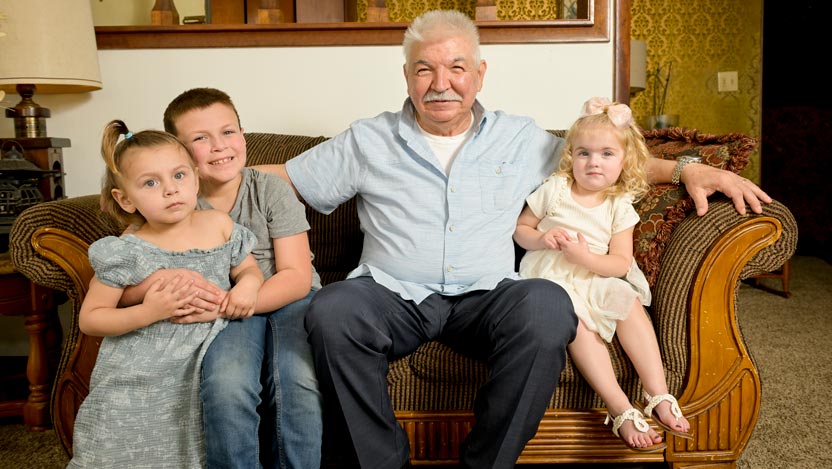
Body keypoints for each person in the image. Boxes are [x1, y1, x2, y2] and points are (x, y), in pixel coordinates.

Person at [262, 10, 770, 468]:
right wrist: (200, 172)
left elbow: (604, 166)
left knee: (548, 306)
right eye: (425, 69)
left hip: (488, 294)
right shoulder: (368, 138)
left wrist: (688, 171)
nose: (442, 83)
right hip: (392, 293)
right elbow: (285, 179)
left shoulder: (520, 137)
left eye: (457, 67)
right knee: (331, 310)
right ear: (407, 76)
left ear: (480, 74)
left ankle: (486, 464)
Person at [122, 88, 324, 469]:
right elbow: (130, 265)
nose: (219, 147)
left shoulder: (271, 190)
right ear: (178, 151)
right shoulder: (174, 199)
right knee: (227, 383)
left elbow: (296, 276)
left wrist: (228, 303)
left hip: (285, 299)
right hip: (223, 312)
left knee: (297, 379)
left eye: (228, 132)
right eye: (200, 139)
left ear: (243, 135)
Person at [69, 120, 263, 467]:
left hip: (208, 354)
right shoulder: (126, 250)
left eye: (178, 176)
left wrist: (248, 286)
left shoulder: (218, 224)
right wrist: (149, 311)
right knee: (120, 432)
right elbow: (91, 318)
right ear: (125, 199)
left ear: (195, 176)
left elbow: (247, 268)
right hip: (142, 363)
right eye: (150, 183)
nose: (170, 190)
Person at [514, 97, 693, 453]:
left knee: (628, 304)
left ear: (625, 162)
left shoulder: (618, 204)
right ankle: (619, 406)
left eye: (607, 154)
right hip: (553, 278)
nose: (594, 162)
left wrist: (586, 257)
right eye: (584, 153)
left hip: (598, 275)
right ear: (570, 157)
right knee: (575, 323)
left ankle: (657, 392)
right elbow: (520, 230)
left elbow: (621, 263)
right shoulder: (555, 189)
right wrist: (542, 238)